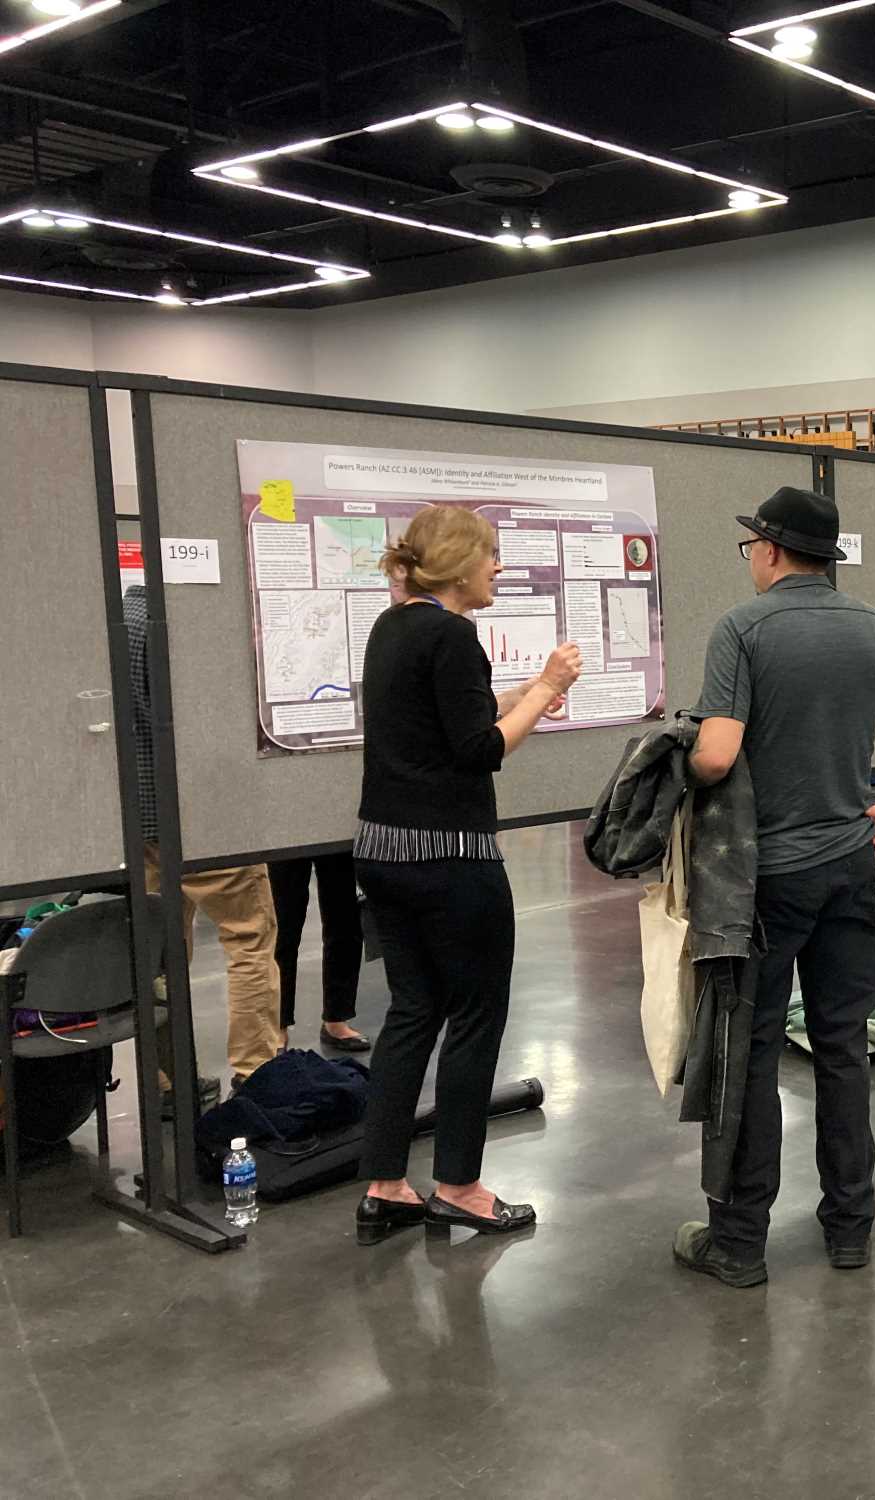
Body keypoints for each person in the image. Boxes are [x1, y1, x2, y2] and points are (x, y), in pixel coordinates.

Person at [675, 486, 875, 1288]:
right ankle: (849, 1227)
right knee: (842, 1050)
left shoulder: (744, 628)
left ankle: (738, 1242)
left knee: (753, 1052)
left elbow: (716, 758)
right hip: (849, 867)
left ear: (768, 550)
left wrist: (685, 742)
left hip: (766, 877)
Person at [352, 505, 582, 1246]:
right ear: (457, 562)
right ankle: (460, 1186)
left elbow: (449, 722)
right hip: (450, 858)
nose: (498, 567)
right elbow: (480, 749)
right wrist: (545, 690)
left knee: (413, 1010)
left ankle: (386, 1184)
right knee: (477, 1014)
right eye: (490, 555)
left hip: (383, 853)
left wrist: (523, 698)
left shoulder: (394, 627)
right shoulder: (452, 635)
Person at [123, 584, 283, 1113]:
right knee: (249, 938)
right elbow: (208, 723)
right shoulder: (191, 621)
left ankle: (171, 1082)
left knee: (162, 952)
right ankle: (257, 1074)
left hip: (137, 814)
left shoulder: (120, 612)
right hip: (203, 817)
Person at [268, 852, 370, 1052]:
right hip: (284, 829)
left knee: (344, 921)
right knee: (283, 927)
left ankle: (336, 1018)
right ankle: (277, 1025)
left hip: (334, 828)